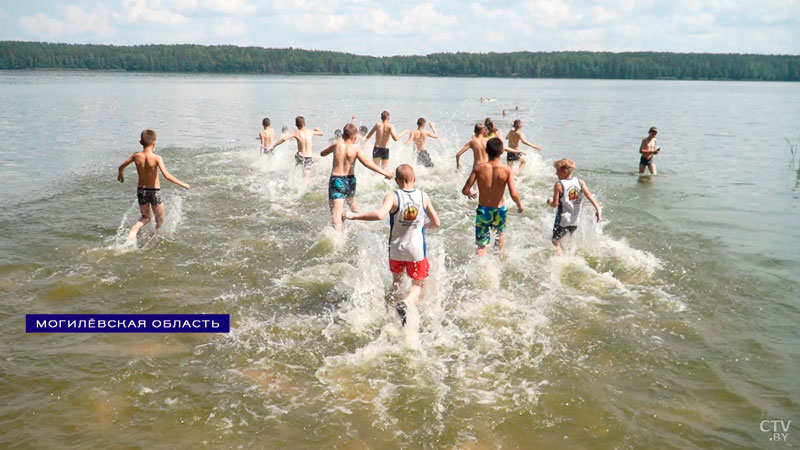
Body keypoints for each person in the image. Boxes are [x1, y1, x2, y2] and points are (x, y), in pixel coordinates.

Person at [344, 164, 440, 325]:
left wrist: (353, 215)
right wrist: (423, 226)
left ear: (396, 180)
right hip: (416, 251)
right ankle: (406, 304)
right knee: (418, 285)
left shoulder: (393, 196)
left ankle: (393, 315)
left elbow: (380, 214)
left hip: (395, 250)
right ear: (414, 179)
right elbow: (436, 222)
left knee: (397, 281)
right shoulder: (423, 196)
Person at [117, 130, 190, 241]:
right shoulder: (157, 158)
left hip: (141, 190)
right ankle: (155, 237)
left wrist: (121, 175)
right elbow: (167, 176)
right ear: (154, 143)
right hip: (154, 191)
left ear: (140, 142)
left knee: (145, 217)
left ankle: (134, 229)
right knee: (160, 218)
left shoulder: (136, 156)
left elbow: (121, 166)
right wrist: (183, 184)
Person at [320, 123, 394, 231]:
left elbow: (322, 154)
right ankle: (364, 224)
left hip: (336, 179)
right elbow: (368, 164)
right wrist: (385, 173)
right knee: (352, 203)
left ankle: (338, 239)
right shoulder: (356, 148)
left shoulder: (337, 145)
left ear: (343, 135)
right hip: (350, 180)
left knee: (336, 212)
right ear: (355, 137)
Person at [461, 137, 524, 256]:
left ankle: (482, 268)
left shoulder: (478, 168)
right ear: (502, 152)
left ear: (486, 150)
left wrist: (471, 193)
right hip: (499, 209)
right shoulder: (507, 170)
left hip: (483, 210)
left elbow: (465, 190)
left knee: (481, 245)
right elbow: (513, 193)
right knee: (499, 235)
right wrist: (520, 205)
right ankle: (497, 263)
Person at [546, 158, 602, 255]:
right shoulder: (580, 182)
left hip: (562, 220)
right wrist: (598, 209)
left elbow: (555, 204)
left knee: (555, 242)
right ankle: (567, 255)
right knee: (564, 240)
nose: (556, 174)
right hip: (575, 221)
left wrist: (549, 201)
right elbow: (589, 195)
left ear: (565, 171)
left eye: (557, 171)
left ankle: (561, 260)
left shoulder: (559, 185)